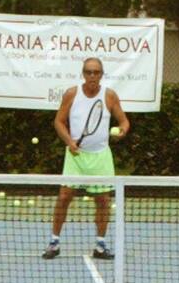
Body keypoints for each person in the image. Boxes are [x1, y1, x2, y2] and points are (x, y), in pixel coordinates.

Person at [43, 56, 130, 261]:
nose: (92, 75)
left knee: (102, 201)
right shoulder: (72, 94)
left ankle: (100, 246)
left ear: (101, 75)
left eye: (96, 72)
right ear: (83, 74)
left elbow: (124, 121)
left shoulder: (109, 96)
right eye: (89, 72)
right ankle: (54, 243)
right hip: (75, 157)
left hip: (101, 157)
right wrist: (69, 142)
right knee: (64, 198)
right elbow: (59, 122)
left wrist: (122, 131)